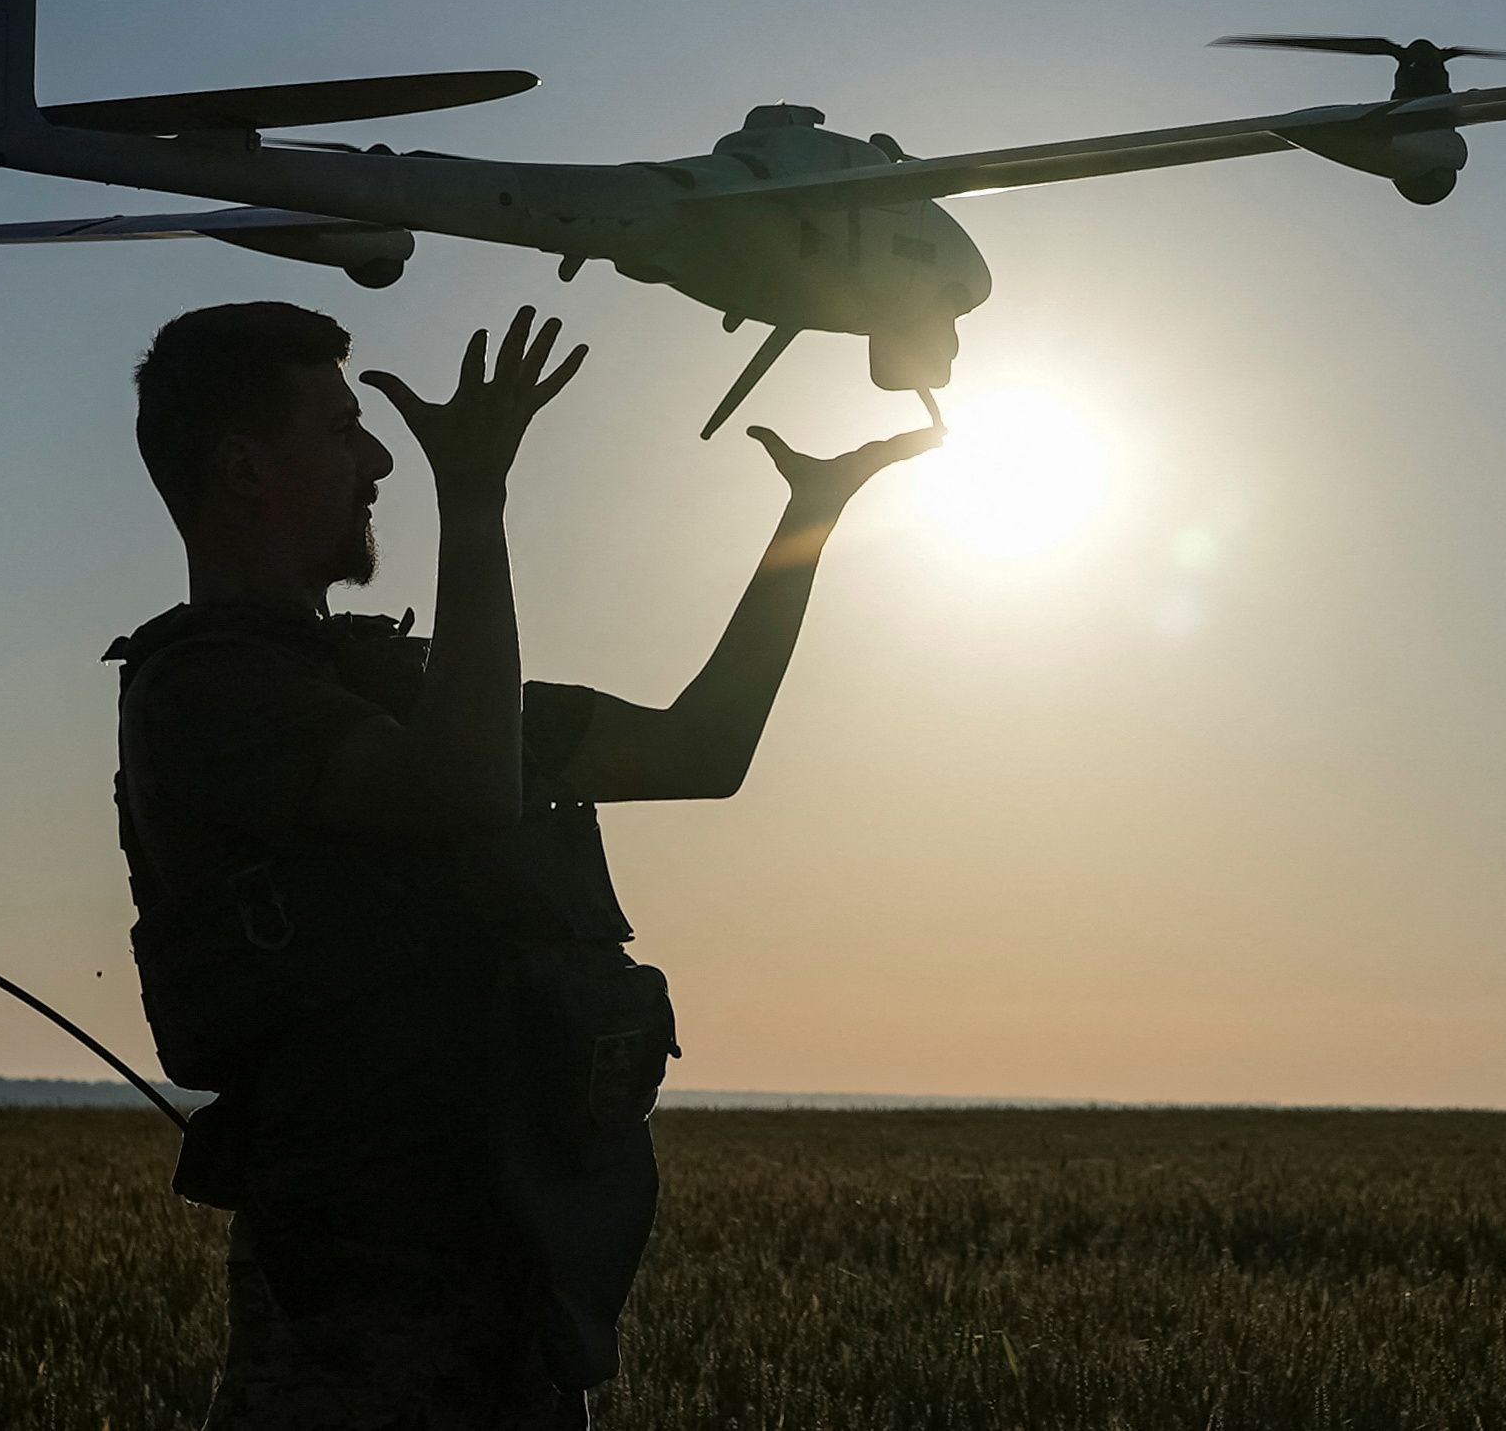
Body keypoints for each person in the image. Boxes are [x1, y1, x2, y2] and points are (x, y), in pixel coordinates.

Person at [109, 300, 935, 1428]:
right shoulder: (204, 694)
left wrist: (811, 519)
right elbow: (460, 787)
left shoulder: (402, 686)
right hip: (355, 1326)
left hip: (518, 1295)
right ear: (245, 466)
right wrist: (476, 503)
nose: (379, 456)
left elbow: (702, 749)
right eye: (344, 426)